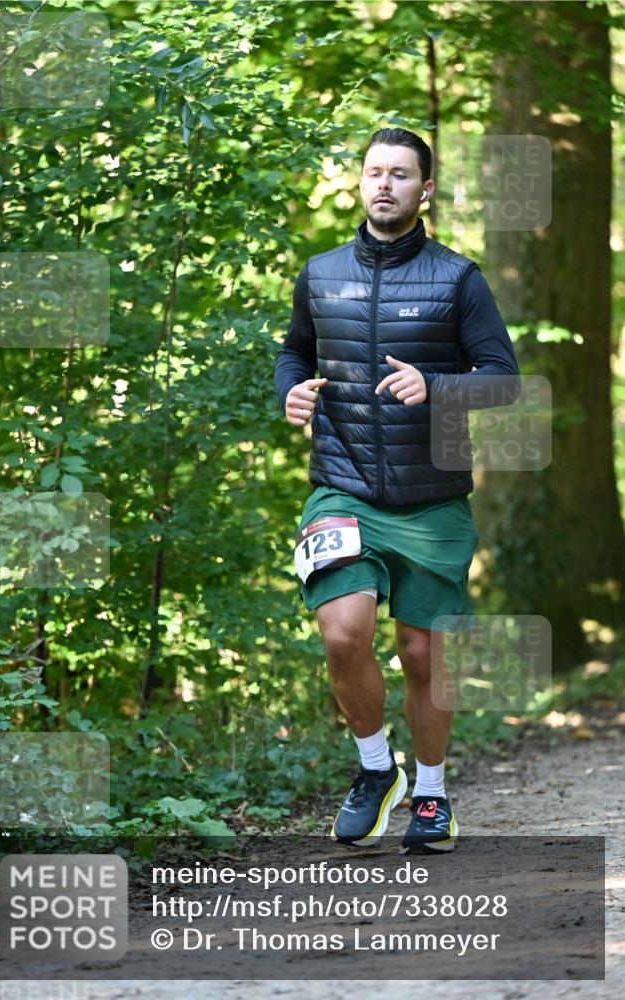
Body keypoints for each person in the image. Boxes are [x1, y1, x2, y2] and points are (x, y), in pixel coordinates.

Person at [274, 127, 520, 854]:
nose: (385, 184)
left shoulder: (457, 278)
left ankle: (432, 795)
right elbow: (293, 351)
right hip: (342, 486)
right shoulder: (320, 274)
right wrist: (291, 391)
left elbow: (503, 380)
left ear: (425, 190)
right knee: (343, 632)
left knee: (421, 653)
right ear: (360, 182)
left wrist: (436, 385)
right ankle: (377, 768)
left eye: (400, 174)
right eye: (374, 172)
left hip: (433, 498)